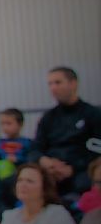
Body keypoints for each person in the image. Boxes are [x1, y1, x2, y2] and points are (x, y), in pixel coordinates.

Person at [29, 67, 101, 199]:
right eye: (50, 84)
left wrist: (72, 168)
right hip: (51, 170)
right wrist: (44, 161)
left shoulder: (93, 114)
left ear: (73, 83)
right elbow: (35, 148)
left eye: (58, 82)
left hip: (81, 171)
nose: (53, 88)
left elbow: (97, 150)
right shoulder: (48, 118)